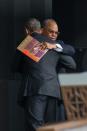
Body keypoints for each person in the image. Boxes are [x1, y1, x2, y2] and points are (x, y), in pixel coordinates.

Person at [12, 18, 76, 131]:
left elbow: (14, 67)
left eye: (56, 33)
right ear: (41, 30)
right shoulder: (53, 44)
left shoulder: (27, 41)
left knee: (35, 125)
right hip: (53, 90)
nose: (54, 35)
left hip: (35, 88)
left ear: (27, 31)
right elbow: (72, 64)